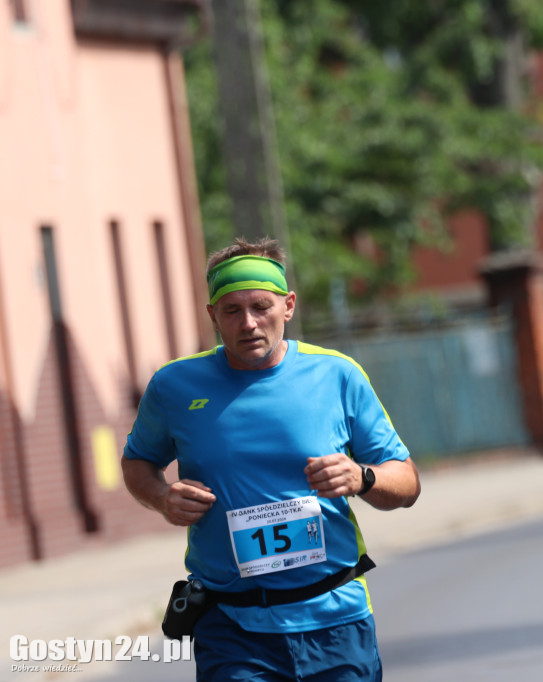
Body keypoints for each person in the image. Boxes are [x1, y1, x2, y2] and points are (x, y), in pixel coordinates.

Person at [122, 237, 420, 681]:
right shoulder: (175, 386)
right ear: (212, 316)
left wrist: (363, 476)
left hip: (334, 617)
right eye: (231, 311)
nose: (248, 323)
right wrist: (163, 498)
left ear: (289, 306)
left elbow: (407, 483)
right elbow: (137, 462)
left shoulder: (336, 374)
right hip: (231, 627)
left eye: (261, 307)